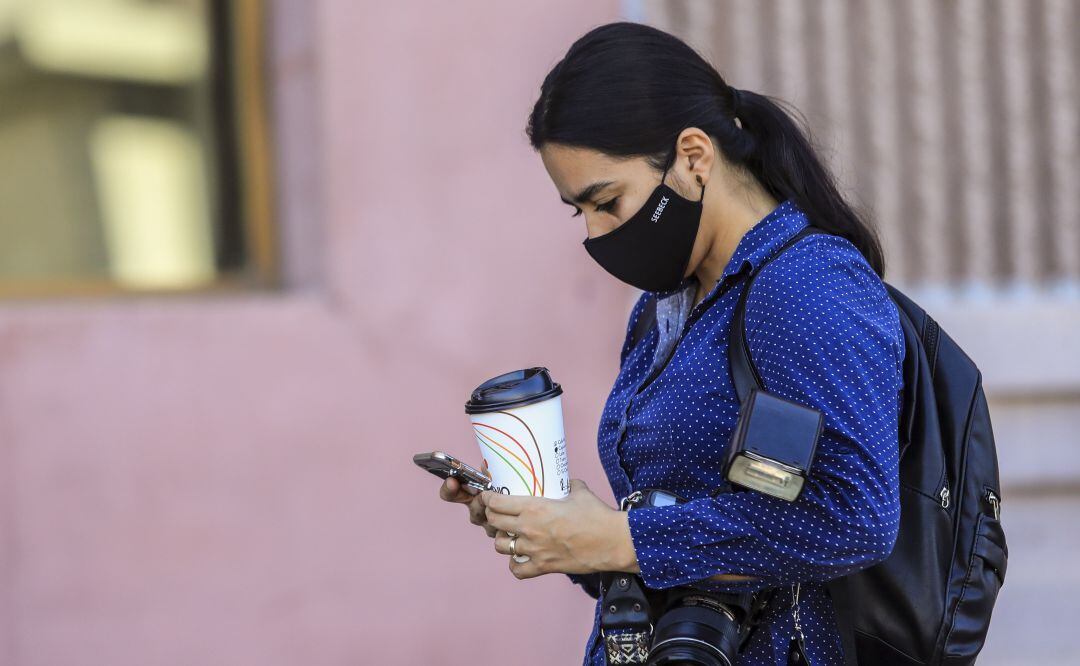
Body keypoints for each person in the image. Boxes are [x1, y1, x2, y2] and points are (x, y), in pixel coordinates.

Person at [439, 21, 905, 665]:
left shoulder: (804, 285)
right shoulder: (667, 304)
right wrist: (568, 533)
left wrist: (622, 538)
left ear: (692, 156)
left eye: (607, 201)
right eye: (581, 212)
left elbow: (855, 519)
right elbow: (682, 544)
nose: (597, 233)